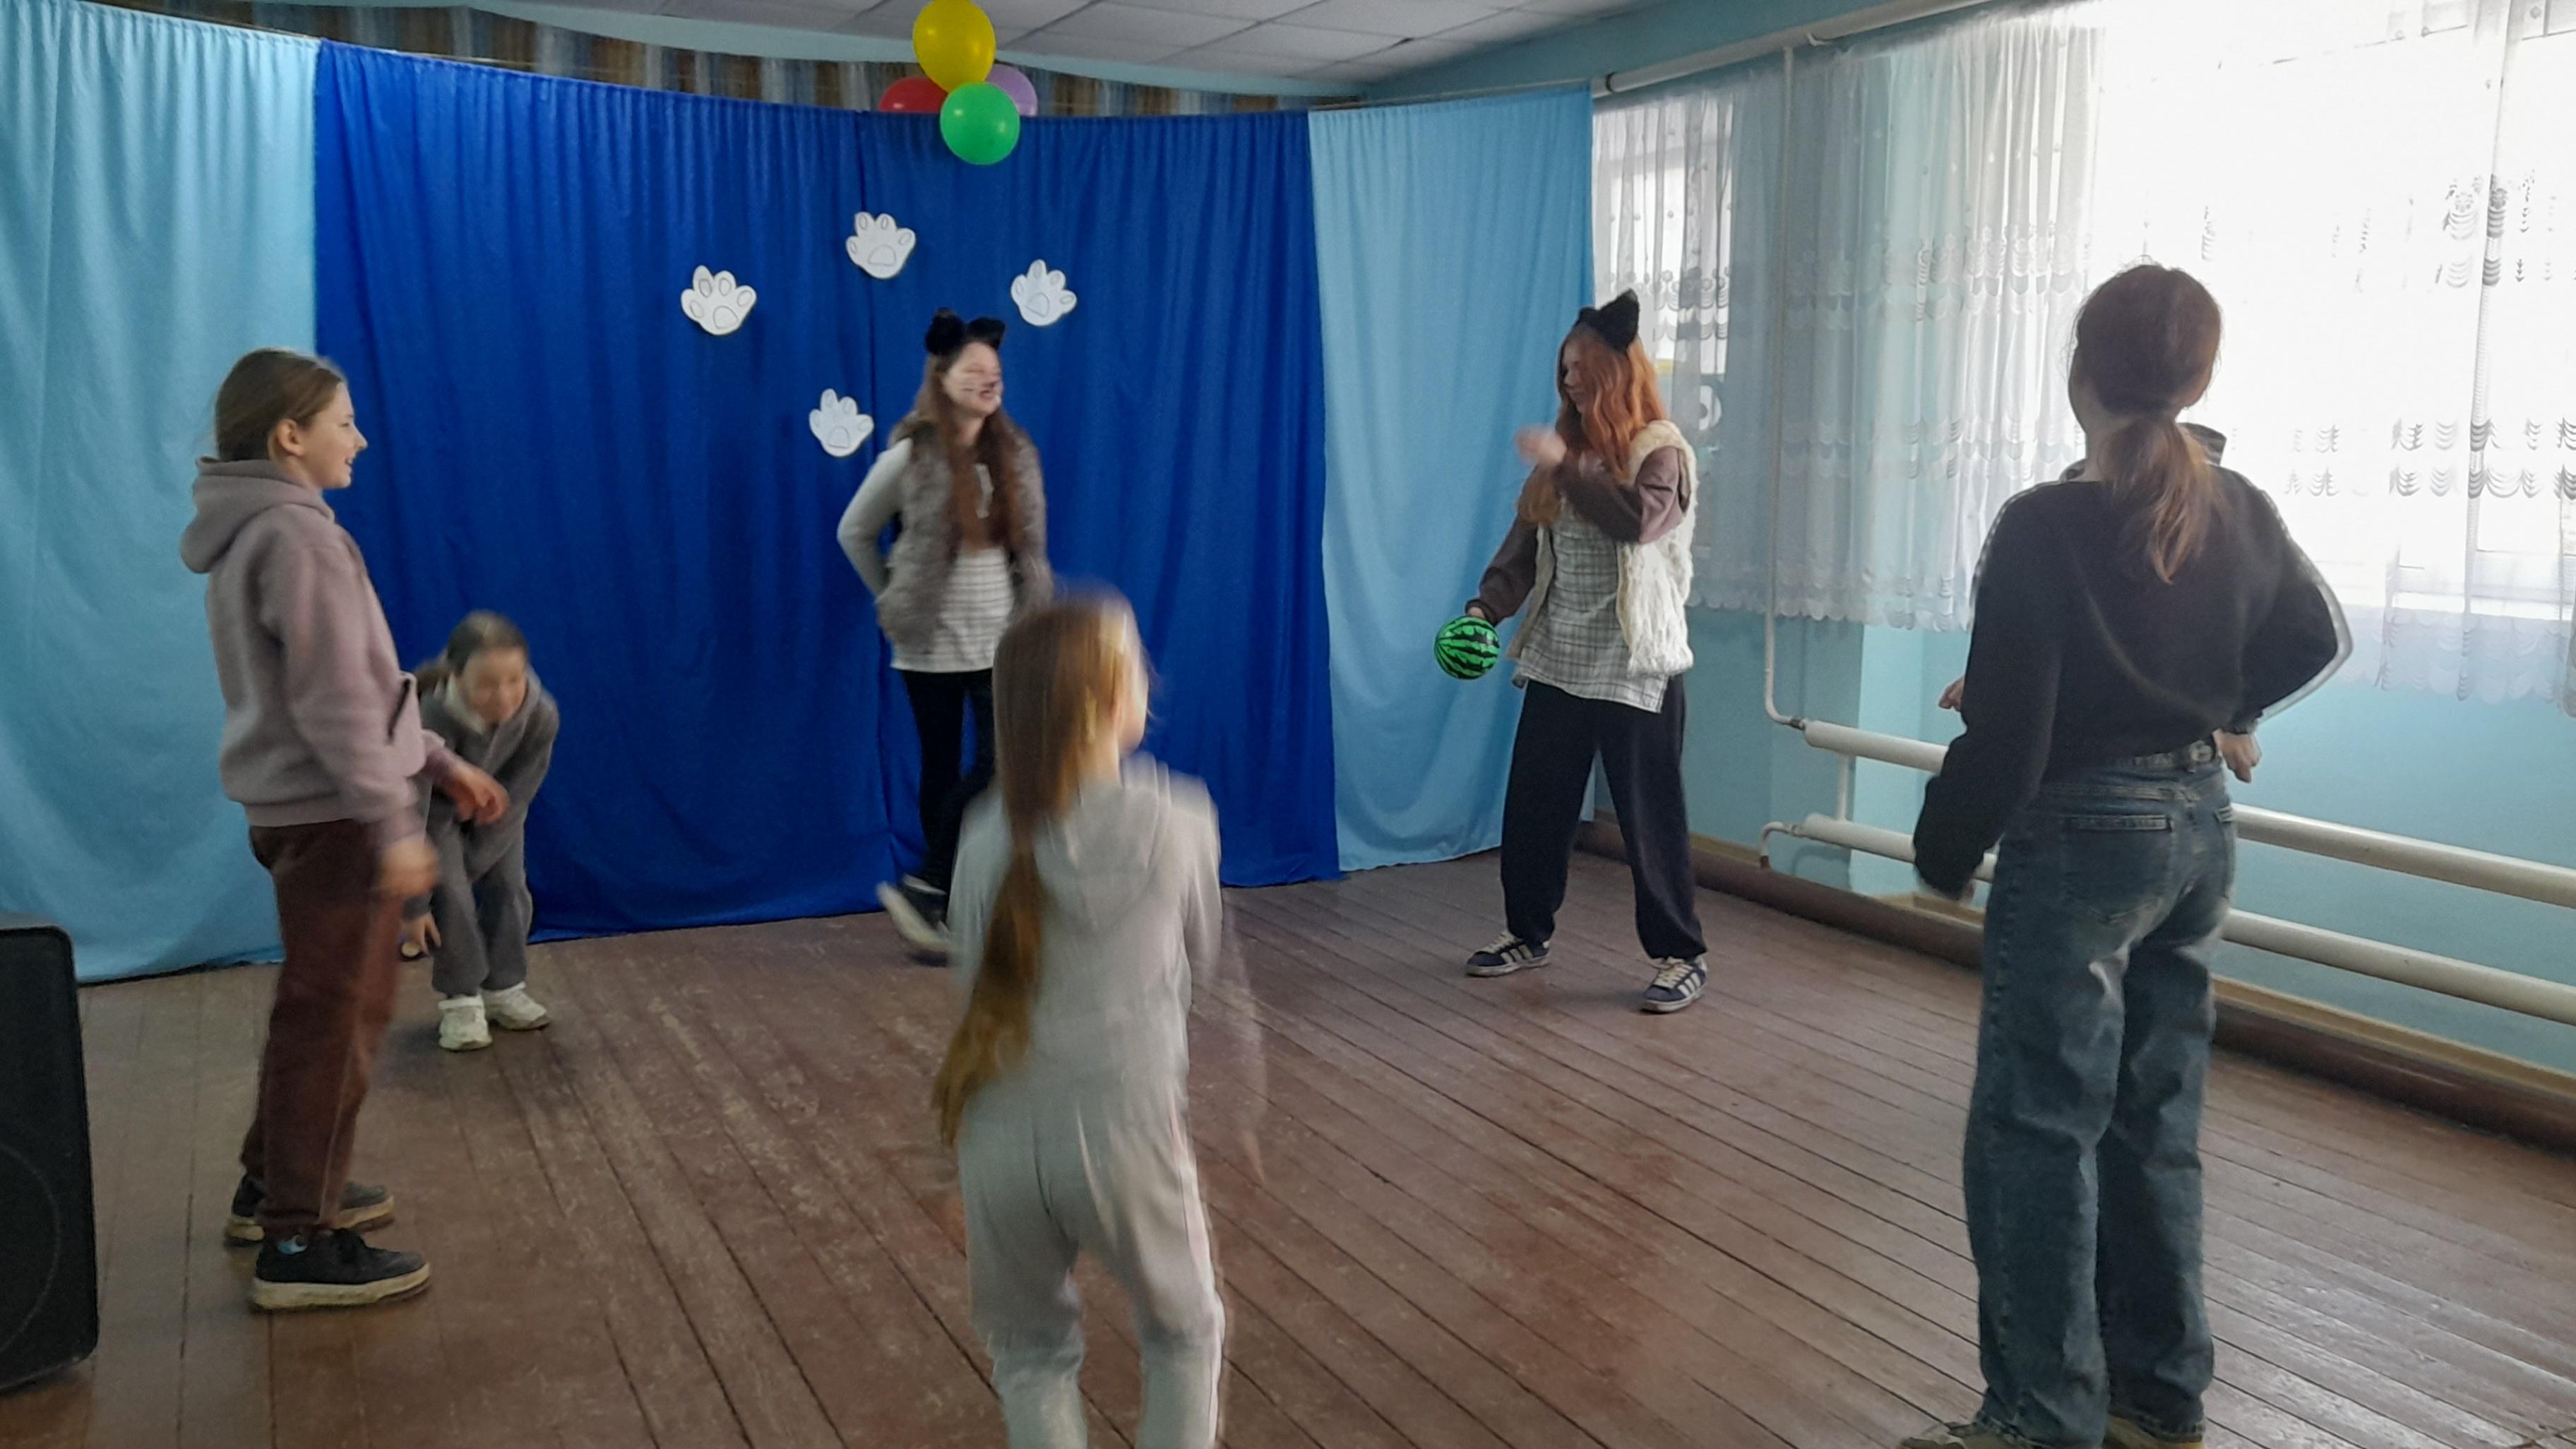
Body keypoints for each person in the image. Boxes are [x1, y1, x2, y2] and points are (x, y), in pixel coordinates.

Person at [1904, 266, 2347, 1449]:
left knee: (2036, 1128)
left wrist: (1942, 845)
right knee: (2152, 1120)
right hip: (2196, 829)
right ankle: (2155, 1395)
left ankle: (2039, 1416)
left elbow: (2011, 729)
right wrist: (2223, 707)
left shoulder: (2044, 522)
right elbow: (2316, 633)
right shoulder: (2238, 505)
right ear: (2195, 381)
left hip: (2080, 842)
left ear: (2080, 376)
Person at [183, 347, 510, 1310]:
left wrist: (436, 762)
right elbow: (334, 703)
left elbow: (355, 688)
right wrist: (393, 823)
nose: (360, 439)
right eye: (344, 422)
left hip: (312, 812)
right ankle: (298, 1240)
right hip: (337, 820)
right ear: (291, 436)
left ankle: (273, 1187)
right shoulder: (299, 538)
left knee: (321, 1008)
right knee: (337, 1019)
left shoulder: (262, 532)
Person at [934, 594, 1260, 1449]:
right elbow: (1205, 964)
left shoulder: (980, 834)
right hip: (1124, 1133)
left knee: (1029, 1352)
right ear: (1110, 700)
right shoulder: (1180, 819)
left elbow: (973, 989)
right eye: (1137, 666)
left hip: (995, 1140)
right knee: (1185, 1332)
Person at [1454, 290, 1711, 1013]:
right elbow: (1524, 547)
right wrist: (1484, 610)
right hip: (1561, 658)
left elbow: (1636, 522)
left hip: (1636, 666)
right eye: (1563, 368)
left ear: (1614, 373)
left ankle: (1681, 954)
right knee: (1536, 809)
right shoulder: (1561, 460)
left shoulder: (1661, 452)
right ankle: (1525, 932)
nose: (1568, 380)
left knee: (1648, 821)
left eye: (1581, 367)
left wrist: (1567, 466)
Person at [840, 309, 1053, 960]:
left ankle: (929, 884)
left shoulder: (1013, 454)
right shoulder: (910, 456)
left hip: (999, 639)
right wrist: (895, 597)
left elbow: (1026, 549)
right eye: (975, 370)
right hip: (929, 645)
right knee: (940, 767)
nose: (990, 380)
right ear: (942, 377)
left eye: (996, 372)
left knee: (997, 766)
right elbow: (855, 532)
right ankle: (949, 905)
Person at [398, 611, 560, 1052]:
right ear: (456, 676)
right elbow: (411, 811)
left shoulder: (541, 715)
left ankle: (504, 987)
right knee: (451, 895)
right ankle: (462, 1000)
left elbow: (518, 796)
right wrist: (416, 903)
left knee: (509, 887)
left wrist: (478, 858)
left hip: (498, 814)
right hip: (432, 817)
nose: (504, 696)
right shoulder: (427, 717)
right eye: (487, 684)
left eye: (514, 680)